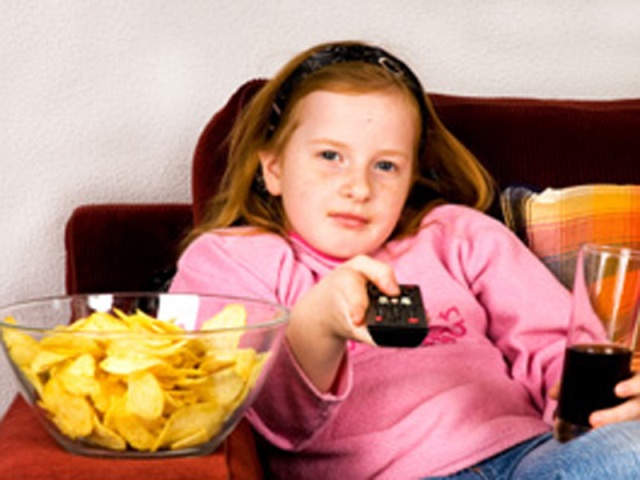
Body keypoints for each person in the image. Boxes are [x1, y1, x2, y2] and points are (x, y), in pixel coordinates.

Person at [170, 41, 640, 479]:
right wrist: (320, 322)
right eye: (331, 155)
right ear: (272, 168)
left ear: (411, 175)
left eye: (386, 166)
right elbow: (251, 412)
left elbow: (559, 346)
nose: (359, 187)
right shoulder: (228, 259)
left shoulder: (457, 234)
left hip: (531, 458)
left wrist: (610, 403)